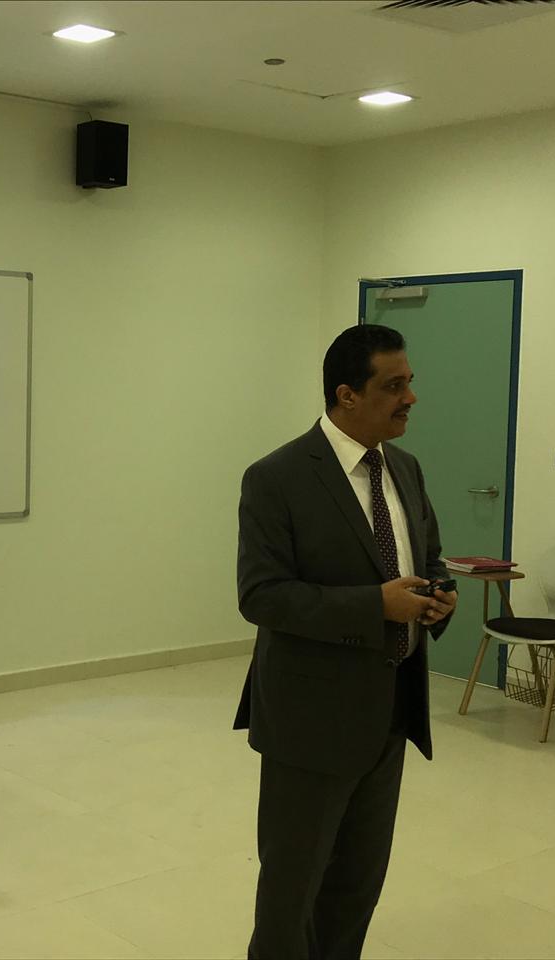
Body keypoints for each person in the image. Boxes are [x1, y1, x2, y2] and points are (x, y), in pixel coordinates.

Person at [233, 323, 458, 959]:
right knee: (292, 890)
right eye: (394, 385)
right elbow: (262, 595)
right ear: (347, 395)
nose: (410, 398)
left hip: (389, 714)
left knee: (357, 885)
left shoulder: (405, 468)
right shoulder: (277, 477)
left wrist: (438, 596)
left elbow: (428, 557)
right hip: (310, 721)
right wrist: (375, 605)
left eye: (410, 382)